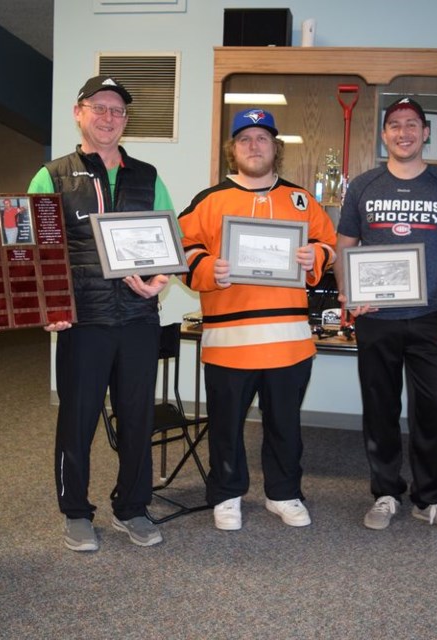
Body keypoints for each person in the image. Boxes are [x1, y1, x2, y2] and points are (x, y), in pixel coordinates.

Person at [27, 76, 174, 550]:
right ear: (79, 112)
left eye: (117, 111)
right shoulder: (52, 176)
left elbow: (169, 244)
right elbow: (31, 250)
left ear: (125, 121)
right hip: (83, 321)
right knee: (78, 418)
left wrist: (160, 281)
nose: (108, 118)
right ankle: (75, 511)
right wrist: (48, 304)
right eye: (99, 108)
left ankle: (132, 507)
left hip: (136, 321)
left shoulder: (147, 176)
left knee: (136, 417)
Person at [178, 108, 336, 530]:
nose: (253, 145)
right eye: (244, 138)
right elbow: (182, 251)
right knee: (226, 425)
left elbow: (328, 244)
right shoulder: (209, 200)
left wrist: (314, 257)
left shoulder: (301, 199)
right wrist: (210, 269)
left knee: (285, 424)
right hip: (230, 342)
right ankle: (227, 493)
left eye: (262, 138)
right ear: (233, 149)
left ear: (275, 147)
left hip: (289, 341)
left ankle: (283, 492)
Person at [336, 97, 437, 534]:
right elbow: (344, 247)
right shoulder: (363, 185)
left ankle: (430, 499)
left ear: (426, 132)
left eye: (412, 124)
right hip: (376, 317)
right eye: (394, 125)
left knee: (435, 409)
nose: (403, 132)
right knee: (379, 408)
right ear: (384, 134)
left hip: (431, 316)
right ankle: (384, 492)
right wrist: (348, 296)